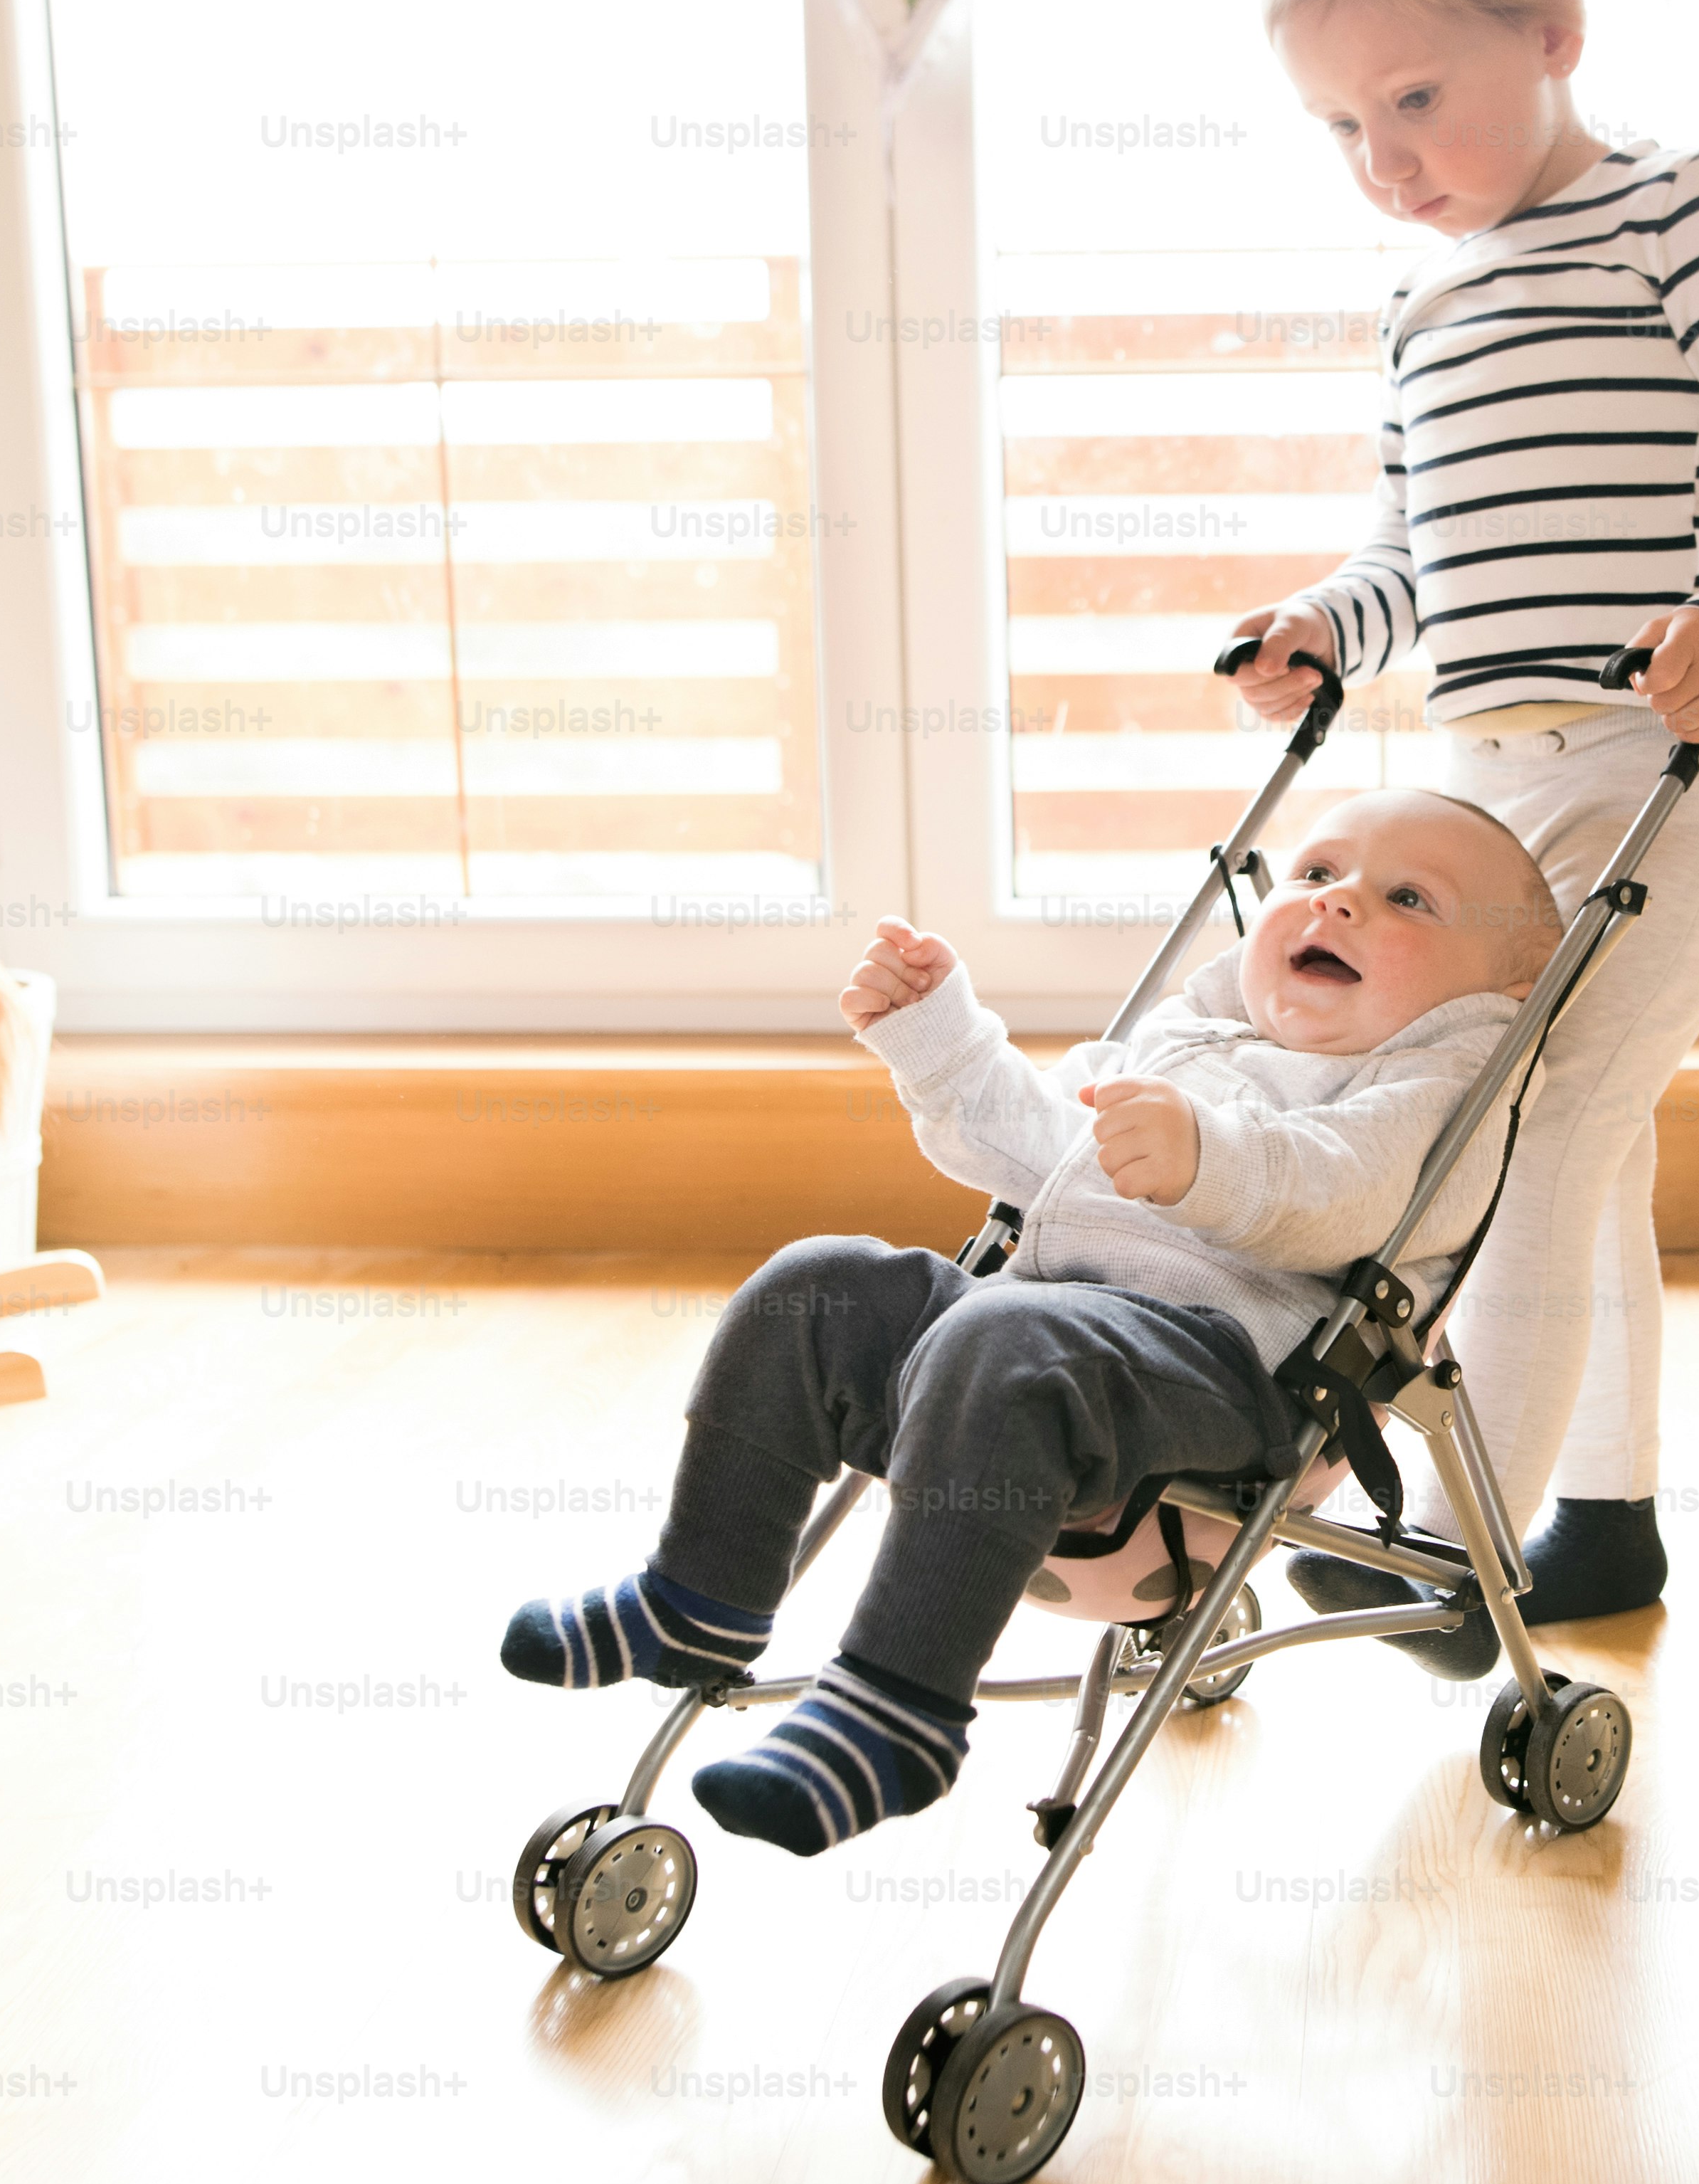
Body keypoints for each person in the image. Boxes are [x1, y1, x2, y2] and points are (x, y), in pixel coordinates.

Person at [1231, 0, 1699, 1674]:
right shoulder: (1417, 300)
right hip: (1482, 798)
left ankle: (1468, 1538)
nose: (1385, 159)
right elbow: (1406, 546)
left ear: (1556, 31)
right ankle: (1602, 1517)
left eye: (1415, 96)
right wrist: (1321, 633)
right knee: (1588, 1146)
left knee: (1535, 1131)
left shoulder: (1683, 205)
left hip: (1668, 765)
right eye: (1343, 127)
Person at [497, 788, 1561, 1855]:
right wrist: (939, 1040)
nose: (1337, 906)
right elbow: (1031, 1145)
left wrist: (1207, 1158)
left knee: (997, 1339)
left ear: (1492, 991)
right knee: (813, 1287)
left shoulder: (1432, 1078)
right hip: (1027, 1349)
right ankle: (699, 1595)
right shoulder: (1186, 1038)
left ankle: (897, 1710)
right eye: (1317, 874)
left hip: (1229, 1379)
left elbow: (1346, 1190)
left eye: (1407, 897)